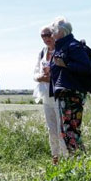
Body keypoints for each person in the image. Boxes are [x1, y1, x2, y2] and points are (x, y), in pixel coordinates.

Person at [49, 17, 91, 154]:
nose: (51, 33)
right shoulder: (62, 46)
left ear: (61, 31)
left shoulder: (73, 45)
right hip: (65, 94)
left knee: (71, 129)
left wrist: (65, 64)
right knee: (67, 130)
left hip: (72, 94)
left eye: (53, 30)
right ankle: (78, 161)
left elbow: (86, 67)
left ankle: (81, 163)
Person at [33, 25, 67, 163]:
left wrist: (52, 76)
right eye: (43, 36)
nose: (46, 38)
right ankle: (56, 158)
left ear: (54, 34)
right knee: (51, 129)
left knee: (62, 129)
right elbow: (35, 72)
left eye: (48, 35)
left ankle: (67, 158)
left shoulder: (61, 50)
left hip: (60, 95)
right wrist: (40, 77)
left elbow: (66, 72)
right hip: (46, 96)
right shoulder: (42, 52)